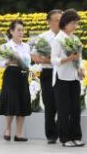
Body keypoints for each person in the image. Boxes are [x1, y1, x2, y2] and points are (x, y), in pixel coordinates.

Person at [51, 9, 85, 147]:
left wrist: (81, 69)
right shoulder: (58, 39)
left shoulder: (75, 39)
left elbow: (80, 58)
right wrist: (68, 59)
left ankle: (76, 136)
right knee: (64, 110)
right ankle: (65, 138)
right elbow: (53, 60)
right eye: (73, 23)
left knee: (75, 109)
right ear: (65, 23)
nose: (75, 26)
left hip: (74, 78)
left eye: (76, 23)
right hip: (61, 78)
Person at [0, 20, 32, 142]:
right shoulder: (6, 46)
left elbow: (28, 63)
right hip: (11, 74)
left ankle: (19, 133)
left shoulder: (26, 46)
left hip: (22, 75)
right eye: (18, 30)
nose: (21, 33)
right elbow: (1, 63)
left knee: (23, 102)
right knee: (11, 102)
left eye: (22, 30)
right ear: (11, 31)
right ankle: (7, 129)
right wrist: (9, 61)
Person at [31, 9, 62, 144]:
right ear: (49, 22)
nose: (59, 22)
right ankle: (51, 134)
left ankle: (62, 131)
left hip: (63, 72)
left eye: (61, 19)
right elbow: (34, 56)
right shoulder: (43, 37)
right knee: (50, 104)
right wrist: (49, 60)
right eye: (56, 20)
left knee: (63, 104)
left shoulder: (67, 36)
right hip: (48, 72)